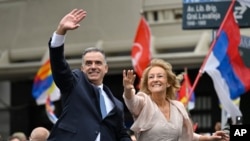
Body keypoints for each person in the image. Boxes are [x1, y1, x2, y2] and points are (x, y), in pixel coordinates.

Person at [47, 8, 131, 141]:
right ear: (82, 68)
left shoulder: (117, 104)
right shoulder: (74, 83)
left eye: (98, 63)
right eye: (88, 63)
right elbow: (59, 66)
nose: (93, 67)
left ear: (106, 68)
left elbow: (121, 135)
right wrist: (61, 32)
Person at [122, 58, 229, 141]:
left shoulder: (178, 107)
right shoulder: (144, 101)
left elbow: (188, 135)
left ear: (168, 82)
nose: (155, 80)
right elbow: (132, 102)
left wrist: (209, 138)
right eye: (151, 77)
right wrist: (128, 90)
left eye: (159, 76)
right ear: (147, 84)